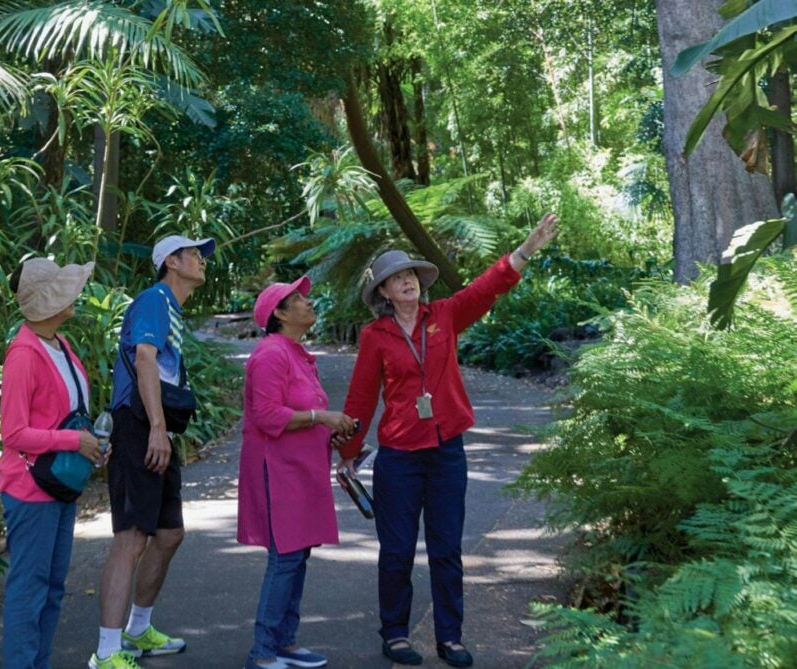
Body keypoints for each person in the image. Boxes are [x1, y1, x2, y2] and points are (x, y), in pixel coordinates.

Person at [336, 213, 559, 667]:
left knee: (446, 548)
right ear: (382, 291)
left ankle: (450, 637)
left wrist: (526, 250)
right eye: (396, 279)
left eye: (411, 276)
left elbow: (485, 288)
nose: (407, 283)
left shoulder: (444, 316)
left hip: (446, 452)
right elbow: (360, 396)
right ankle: (395, 633)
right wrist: (348, 453)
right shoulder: (375, 336)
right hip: (398, 456)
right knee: (397, 549)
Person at [89, 235, 215, 669]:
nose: (201, 260)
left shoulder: (171, 307)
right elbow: (144, 359)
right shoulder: (154, 300)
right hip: (139, 426)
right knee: (131, 538)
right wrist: (158, 429)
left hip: (157, 429)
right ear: (172, 263)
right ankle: (106, 652)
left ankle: (138, 630)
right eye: (194, 254)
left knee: (168, 533)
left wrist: (164, 430)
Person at [238, 276, 357, 669]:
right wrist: (322, 416)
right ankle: (263, 650)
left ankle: (285, 642)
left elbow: (302, 414)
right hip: (278, 470)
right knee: (286, 557)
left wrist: (330, 431)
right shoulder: (271, 354)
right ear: (279, 313)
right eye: (299, 299)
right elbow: (266, 414)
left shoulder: (296, 353)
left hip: (302, 468)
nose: (309, 303)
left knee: (298, 555)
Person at [0, 258, 104, 669]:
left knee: (53, 587)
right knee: (29, 588)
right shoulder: (24, 353)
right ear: (50, 302)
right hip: (30, 489)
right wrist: (74, 440)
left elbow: (66, 410)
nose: (74, 294)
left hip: (59, 484)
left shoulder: (59, 343)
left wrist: (91, 441)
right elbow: (14, 433)